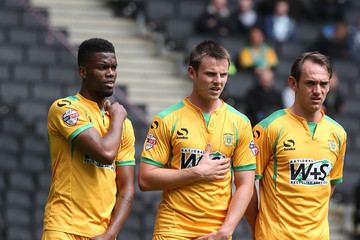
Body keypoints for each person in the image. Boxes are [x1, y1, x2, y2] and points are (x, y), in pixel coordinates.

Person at [139, 40, 256, 240]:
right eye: (210, 74)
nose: (218, 81)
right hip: (172, 229)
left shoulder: (240, 123)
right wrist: (196, 172)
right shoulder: (167, 119)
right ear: (192, 73)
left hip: (217, 232)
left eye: (223, 74)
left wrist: (226, 231)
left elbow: (246, 184)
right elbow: (145, 179)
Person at [246, 51, 347, 239]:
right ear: (293, 83)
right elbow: (246, 184)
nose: (318, 90)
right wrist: (259, 227)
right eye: (310, 83)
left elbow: (330, 184)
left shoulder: (338, 133)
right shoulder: (268, 128)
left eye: (324, 84)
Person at [42, 38, 136, 239]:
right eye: (102, 67)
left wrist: (111, 233)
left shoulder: (123, 125)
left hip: (100, 234)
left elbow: (126, 188)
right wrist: (118, 119)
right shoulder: (66, 109)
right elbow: (105, 154)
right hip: (64, 227)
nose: (110, 73)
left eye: (113, 67)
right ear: (83, 72)